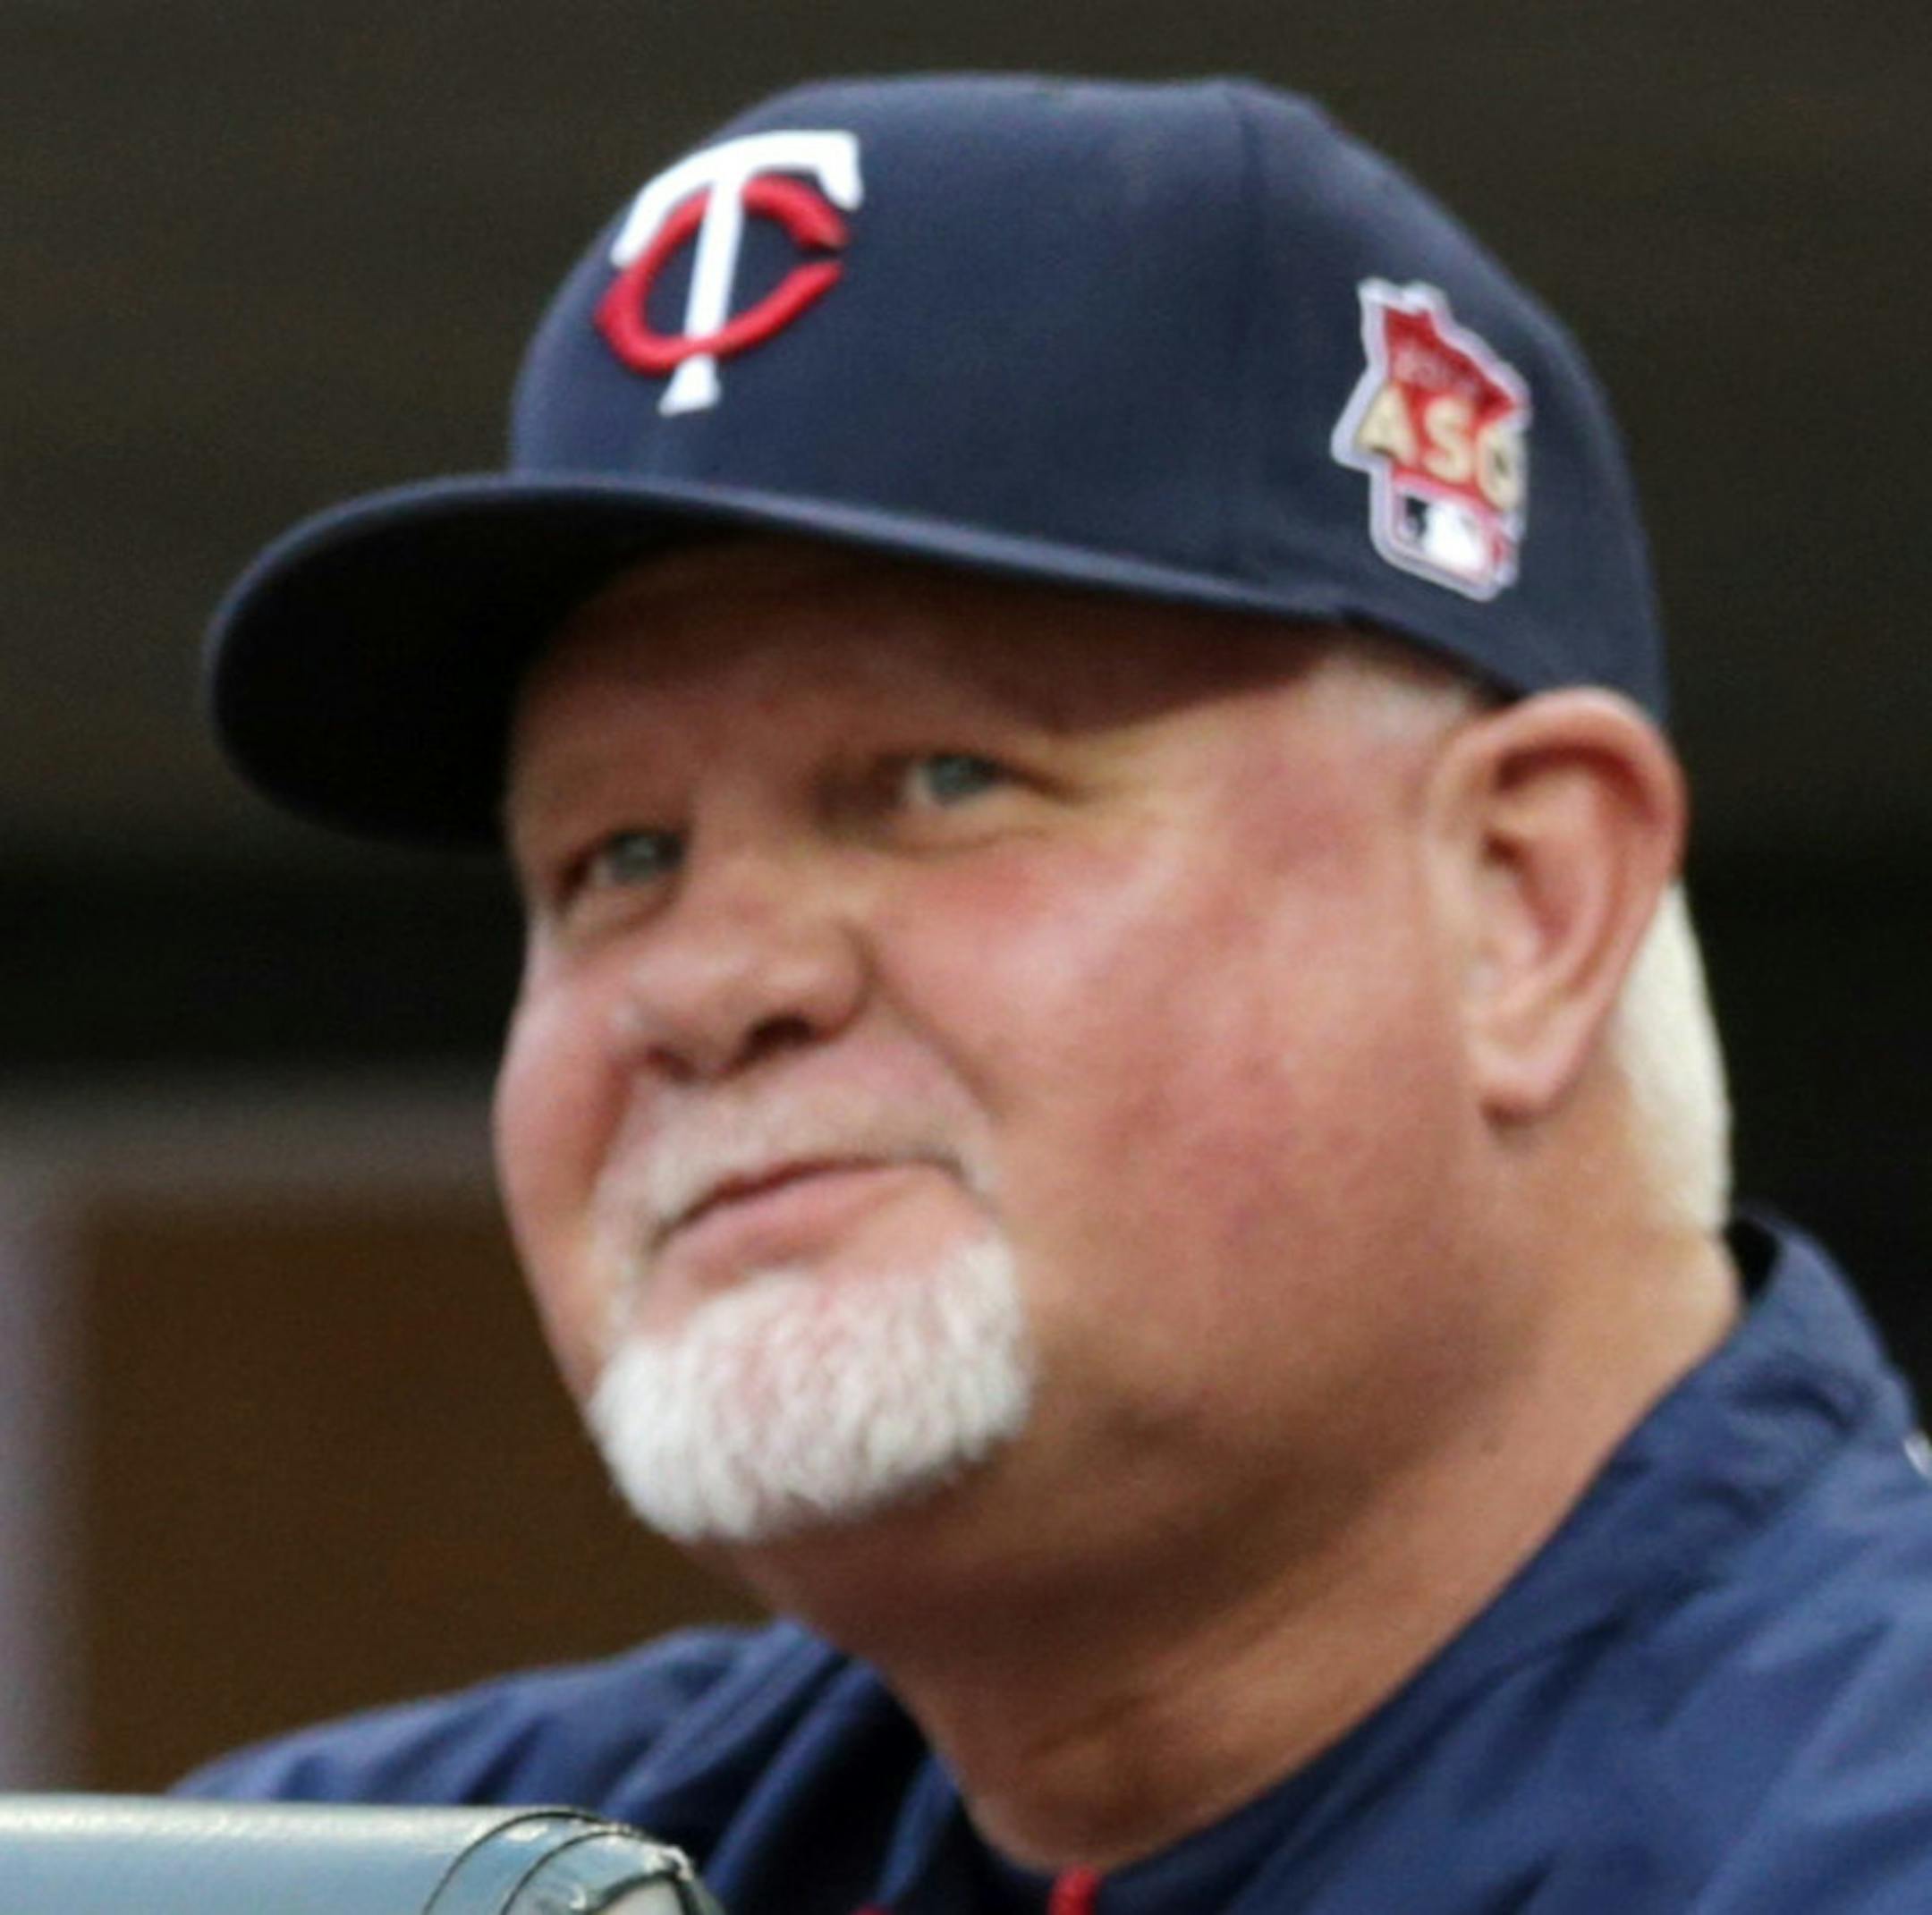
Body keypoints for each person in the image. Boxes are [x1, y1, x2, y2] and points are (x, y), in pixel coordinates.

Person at [183, 74, 1932, 1912]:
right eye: (617, 858)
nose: (709, 986)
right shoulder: (399, 1870)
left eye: (940, 782)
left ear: (1525, 905)